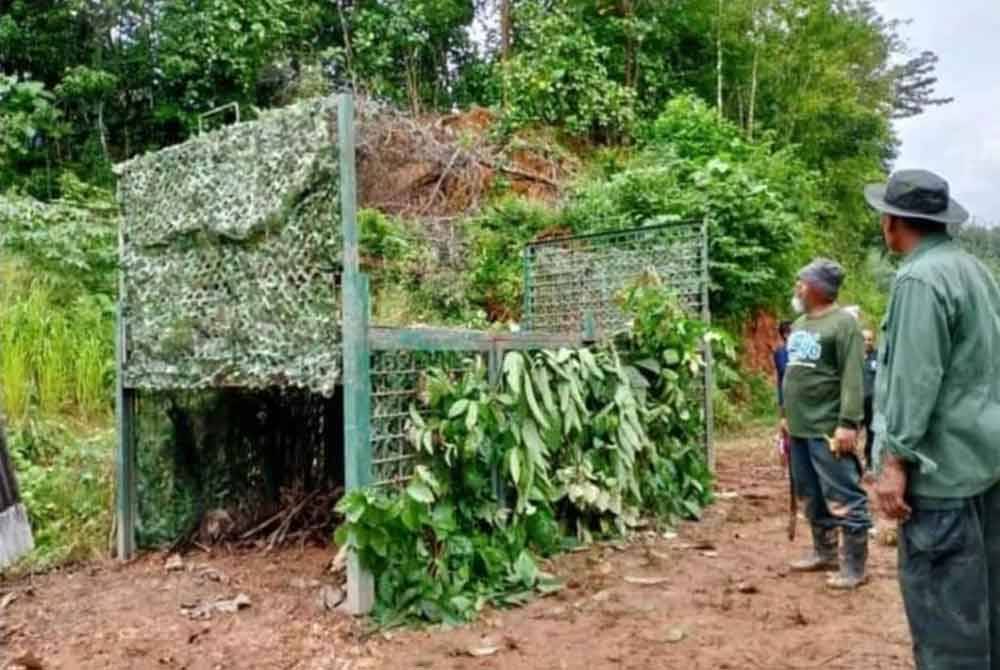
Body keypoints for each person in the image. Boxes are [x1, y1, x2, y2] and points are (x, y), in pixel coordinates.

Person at [867, 169, 1000, 669]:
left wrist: (895, 460)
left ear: (894, 222)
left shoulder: (920, 279)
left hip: (942, 479)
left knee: (946, 626)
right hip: (985, 467)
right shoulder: (974, 271)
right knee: (984, 611)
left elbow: (914, 377)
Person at [781, 258, 871, 589]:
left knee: (844, 493)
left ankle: (855, 566)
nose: (797, 288)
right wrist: (784, 415)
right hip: (799, 426)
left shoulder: (843, 325)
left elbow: (852, 377)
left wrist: (848, 422)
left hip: (827, 428)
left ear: (818, 287)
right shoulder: (801, 322)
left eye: (802, 282)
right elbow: (793, 373)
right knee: (811, 493)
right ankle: (825, 551)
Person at [861, 329, 877, 470]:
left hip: (872, 405)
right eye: (864, 339)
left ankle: (870, 463)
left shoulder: (877, 357)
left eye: (869, 339)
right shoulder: (853, 357)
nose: (866, 342)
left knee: (871, 434)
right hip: (856, 404)